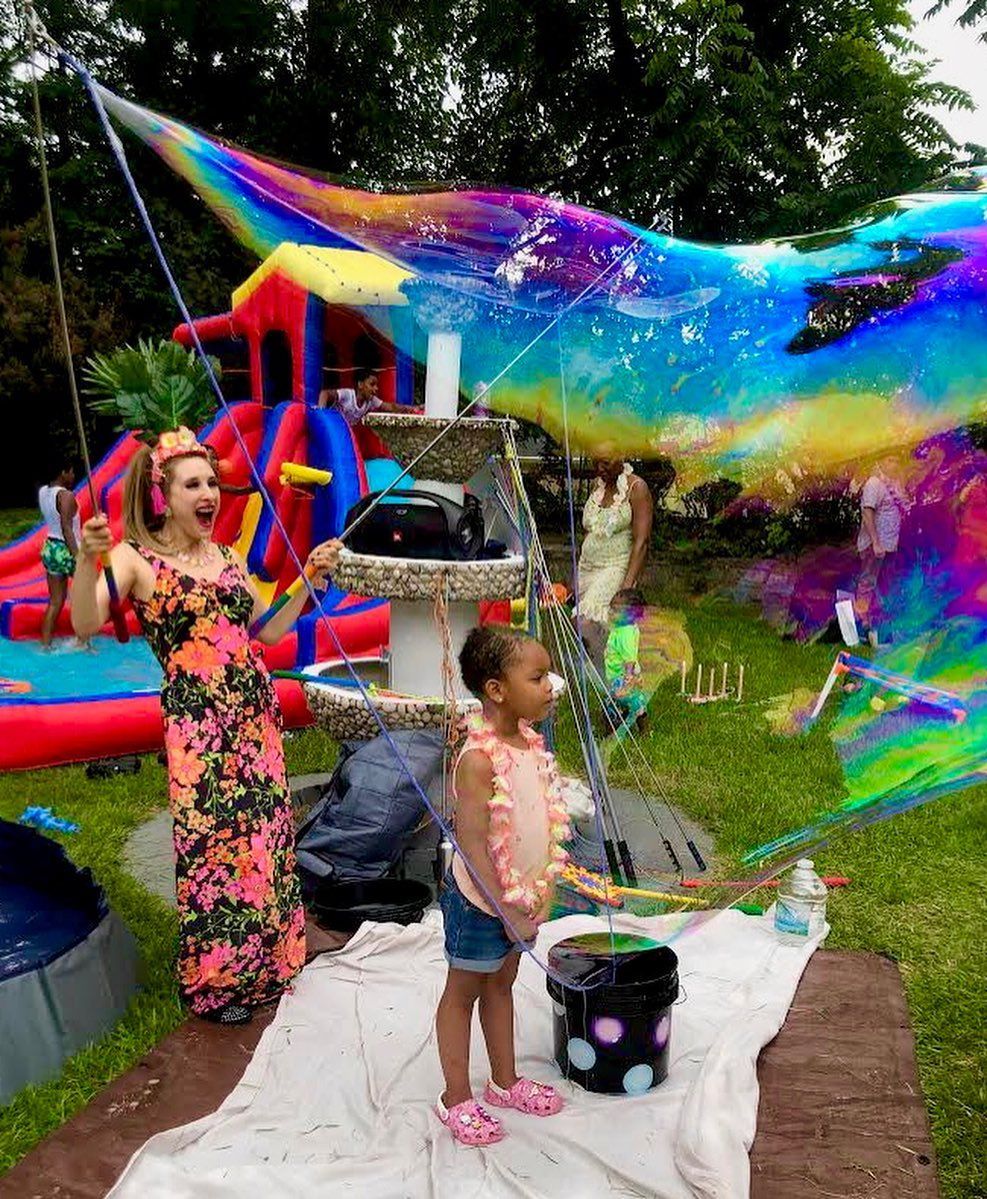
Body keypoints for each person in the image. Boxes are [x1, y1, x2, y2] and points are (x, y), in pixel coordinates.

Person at [72, 426, 341, 1025]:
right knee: (214, 849)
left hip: (254, 717)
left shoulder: (225, 558)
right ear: (163, 494)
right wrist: (88, 559)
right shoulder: (135, 559)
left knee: (264, 840)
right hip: (199, 725)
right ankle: (220, 981)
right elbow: (86, 620)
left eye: (213, 482)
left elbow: (265, 633)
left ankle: (270, 963)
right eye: (193, 483)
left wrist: (308, 579)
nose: (209, 493)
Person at [435, 625, 570, 1146]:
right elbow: (472, 843)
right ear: (496, 689)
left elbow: (540, 825)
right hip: (480, 904)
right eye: (537, 677)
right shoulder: (477, 760)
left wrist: (541, 891)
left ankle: (504, 1081)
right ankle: (454, 1096)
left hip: (521, 903)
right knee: (463, 991)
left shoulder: (531, 745)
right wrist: (504, 907)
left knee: (502, 985)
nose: (550, 685)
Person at [576, 453, 653, 667]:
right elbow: (590, 530)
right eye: (596, 462)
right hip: (588, 567)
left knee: (587, 620)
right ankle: (604, 667)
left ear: (622, 455)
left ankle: (604, 673)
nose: (600, 468)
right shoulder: (597, 487)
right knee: (590, 621)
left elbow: (642, 541)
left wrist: (627, 587)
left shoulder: (637, 488)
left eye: (606, 462)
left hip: (616, 566)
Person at [855, 463, 906, 646]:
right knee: (867, 585)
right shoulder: (874, 482)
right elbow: (867, 511)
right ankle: (863, 630)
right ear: (882, 460)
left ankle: (882, 633)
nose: (895, 461)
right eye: (891, 458)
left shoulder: (893, 484)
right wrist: (876, 542)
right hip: (874, 546)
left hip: (888, 547)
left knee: (885, 588)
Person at [38, 458, 85, 649]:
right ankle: (83, 643)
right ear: (63, 472)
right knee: (86, 598)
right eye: (71, 472)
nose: (73, 476)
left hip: (50, 547)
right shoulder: (65, 495)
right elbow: (67, 528)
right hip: (67, 548)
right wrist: (78, 556)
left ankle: (45, 645)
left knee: (55, 601)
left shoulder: (43, 492)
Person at [604, 588, 649, 736]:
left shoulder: (626, 633)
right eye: (611, 609)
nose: (611, 613)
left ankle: (611, 731)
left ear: (630, 615)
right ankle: (640, 725)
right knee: (630, 701)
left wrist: (628, 676)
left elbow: (630, 657)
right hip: (617, 675)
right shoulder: (622, 627)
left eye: (616, 610)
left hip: (621, 676)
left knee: (614, 703)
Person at [317, 368, 413, 425]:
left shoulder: (371, 400)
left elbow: (391, 407)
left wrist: (413, 409)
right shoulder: (348, 395)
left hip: (344, 430)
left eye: (376, 385)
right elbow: (325, 393)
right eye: (372, 384)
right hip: (331, 426)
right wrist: (321, 413)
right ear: (360, 384)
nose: (376, 388)